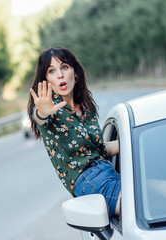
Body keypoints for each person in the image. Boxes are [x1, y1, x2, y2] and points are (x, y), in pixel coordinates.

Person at [28, 47, 121, 217]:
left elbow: (100, 150)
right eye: (52, 71)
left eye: (64, 67)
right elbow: (40, 117)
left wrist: (134, 141)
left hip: (107, 171)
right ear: (46, 81)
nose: (60, 75)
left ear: (75, 73)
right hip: (90, 181)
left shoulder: (86, 108)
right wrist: (42, 111)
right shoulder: (50, 110)